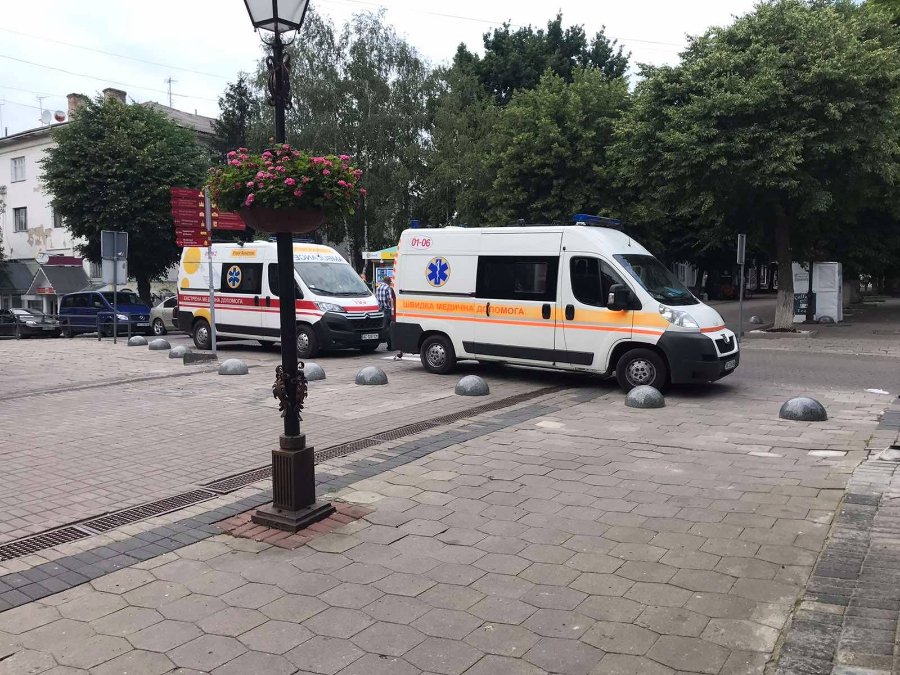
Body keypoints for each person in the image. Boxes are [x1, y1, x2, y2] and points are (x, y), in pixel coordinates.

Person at [376, 274, 397, 352]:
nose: (390, 283)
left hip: (381, 310)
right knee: (390, 328)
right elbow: (390, 299)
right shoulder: (388, 288)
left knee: (385, 327)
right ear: (388, 281)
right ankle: (391, 346)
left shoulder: (378, 288)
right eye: (390, 282)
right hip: (388, 310)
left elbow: (377, 299)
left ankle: (388, 345)